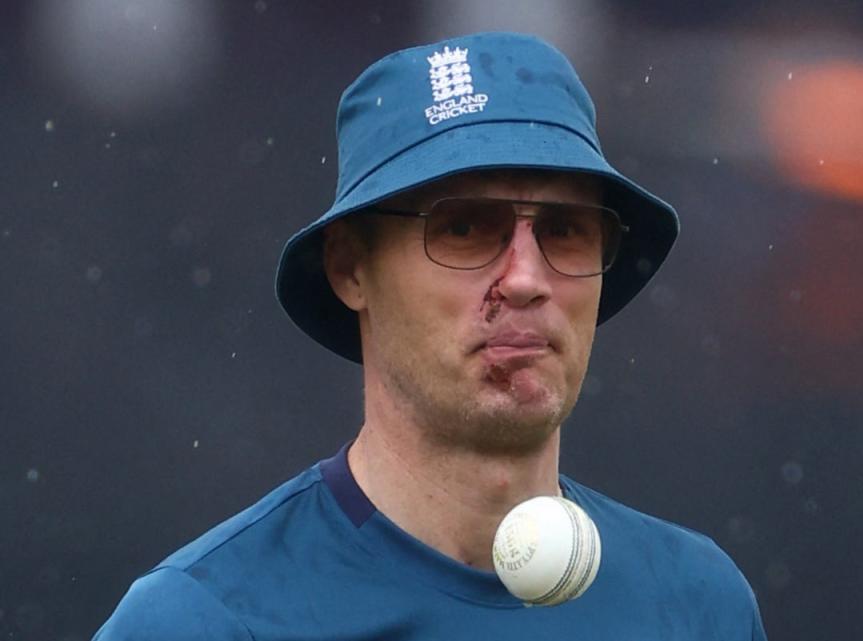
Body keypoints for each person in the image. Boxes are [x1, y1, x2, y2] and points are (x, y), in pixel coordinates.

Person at [93, 32, 767, 640]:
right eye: (466, 227)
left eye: (564, 229)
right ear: (350, 267)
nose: (527, 277)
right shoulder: (204, 619)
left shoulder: (697, 603)